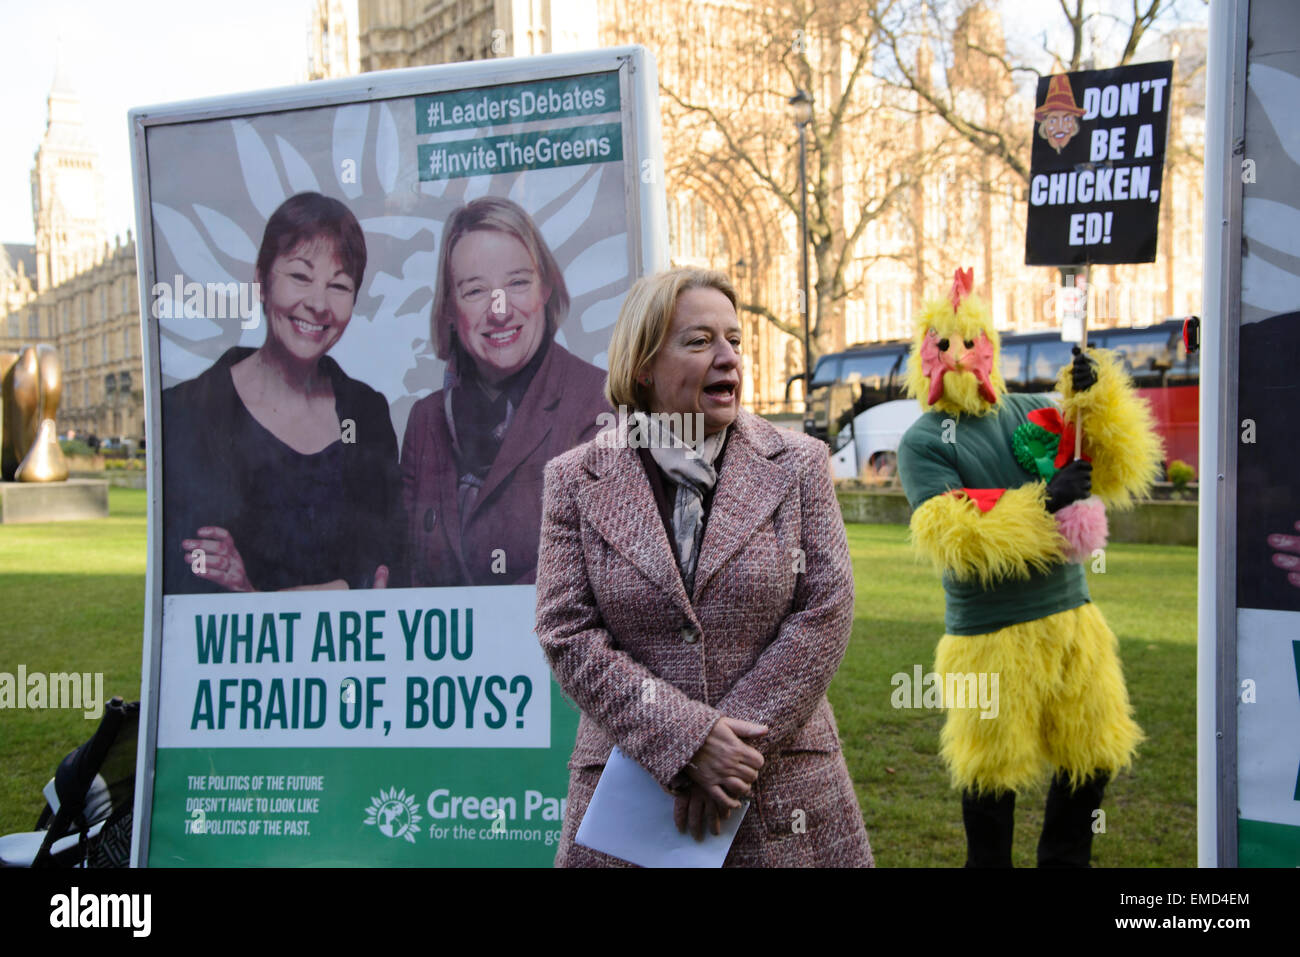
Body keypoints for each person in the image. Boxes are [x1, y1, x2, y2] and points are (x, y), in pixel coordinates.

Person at [534, 267, 873, 867]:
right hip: (634, 798)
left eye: (735, 341)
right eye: (699, 341)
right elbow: (566, 631)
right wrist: (683, 740)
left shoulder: (799, 462)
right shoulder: (575, 479)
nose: (728, 358)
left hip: (780, 793)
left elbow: (825, 609)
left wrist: (729, 745)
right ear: (643, 365)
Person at [896, 268, 1162, 867]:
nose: (960, 356)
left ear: (992, 347)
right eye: (944, 344)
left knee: (1092, 759)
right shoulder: (922, 442)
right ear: (925, 355)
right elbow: (958, 537)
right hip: (988, 639)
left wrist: (1096, 400)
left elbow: (1116, 470)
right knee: (991, 783)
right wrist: (1046, 503)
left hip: (1072, 624)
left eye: (972, 341)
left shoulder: (1038, 407)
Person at [162, 191, 402, 593]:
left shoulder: (366, 414)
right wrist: (340, 589)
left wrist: (254, 596)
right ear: (261, 280)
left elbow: (384, 565)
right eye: (300, 277)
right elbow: (191, 572)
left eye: (339, 286)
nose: (318, 303)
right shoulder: (190, 411)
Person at [401, 196, 609, 587]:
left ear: (546, 287)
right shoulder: (425, 422)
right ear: (449, 308)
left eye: (517, 282)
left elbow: (596, 575)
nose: (499, 310)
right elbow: (407, 578)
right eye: (475, 290)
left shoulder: (597, 406)